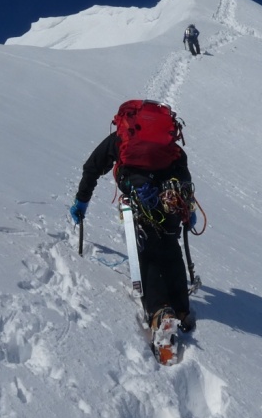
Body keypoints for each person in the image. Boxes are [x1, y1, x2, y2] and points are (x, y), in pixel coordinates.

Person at [69, 117, 198, 332]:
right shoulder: (168, 144)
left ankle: (160, 310)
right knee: (170, 245)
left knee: (147, 249)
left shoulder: (121, 138)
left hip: (139, 193)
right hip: (170, 195)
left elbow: (92, 167)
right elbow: (183, 174)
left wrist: (82, 201)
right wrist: (189, 209)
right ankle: (181, 309)